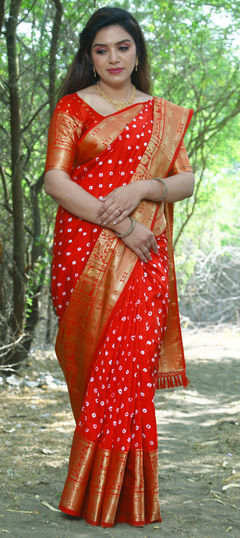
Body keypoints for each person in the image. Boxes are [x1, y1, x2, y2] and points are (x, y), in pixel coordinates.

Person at [44, 6, 194, 528]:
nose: (112, 58)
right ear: (89, 55)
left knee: (125, 371)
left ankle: (122, 495)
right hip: (83, 248)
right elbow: (56, 182)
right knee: (92, 369)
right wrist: (122, 224)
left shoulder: (162, 114)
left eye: (122, 47)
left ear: (137, 52)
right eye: (101, 49)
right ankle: (98, 489)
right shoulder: (73, 108)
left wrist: (142, 190)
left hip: (143, 256)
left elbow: (184, 181)